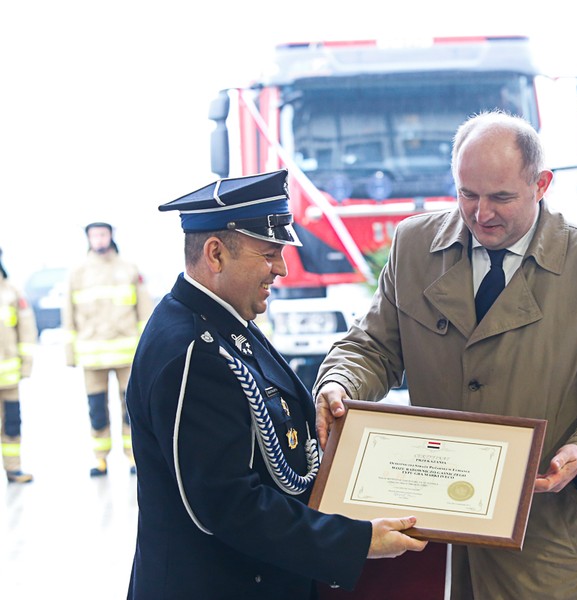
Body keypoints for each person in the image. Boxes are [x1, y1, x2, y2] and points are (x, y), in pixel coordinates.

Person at [315, 111, 577, 600]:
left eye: (501, 197)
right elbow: (373, 346)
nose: (481, 214)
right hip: (441, 535)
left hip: (553, 543)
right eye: (467, 195)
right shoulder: (414, 245)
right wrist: (340, 383)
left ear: (541, 184)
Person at [125, 170, 425, 598]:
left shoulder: (226, 322)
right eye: (269, 254)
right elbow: (227, 504)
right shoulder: (193, 350)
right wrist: (357, 541)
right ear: (215, 254)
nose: (281, 268)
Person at [62, 222, 153, 476]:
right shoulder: (77, 272)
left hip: (127, 355)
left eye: (103, 234)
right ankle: (100, 459)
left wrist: (147, 351)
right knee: (97, 410)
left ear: (111, 236)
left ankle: (133, 457)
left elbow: (145, 313)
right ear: (88, 239)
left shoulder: (129, 269)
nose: (99, 239)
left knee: (130, 410)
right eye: (94, 235)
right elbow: (68, 315)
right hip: (92, 355)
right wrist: (70, 353)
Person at [0, 248, 37, 483]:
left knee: (12, 423)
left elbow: (26, 331)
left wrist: (26, 366)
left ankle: (13, 469)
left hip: (9, 377)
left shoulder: (11, 291)